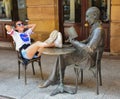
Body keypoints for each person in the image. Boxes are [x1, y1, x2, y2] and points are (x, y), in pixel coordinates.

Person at [39, 6, 105, 88]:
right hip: (88, 56)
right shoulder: (95, 28)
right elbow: (87, 41)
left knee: (62, 57)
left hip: (89, 60)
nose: (86, 19)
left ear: (95, 15)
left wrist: (76, 43)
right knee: (65, 53)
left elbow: (89, 48)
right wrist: (74, 43)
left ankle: (54, 80)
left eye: (88, 16)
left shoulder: (98, 30)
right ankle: (57, 79)